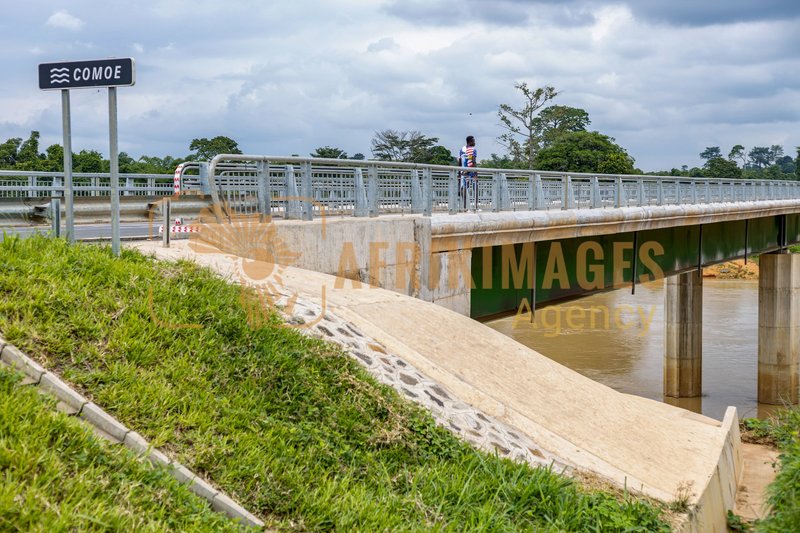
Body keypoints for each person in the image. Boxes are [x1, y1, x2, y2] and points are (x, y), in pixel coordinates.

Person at [458, 135, 478, 210]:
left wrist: (459, 173)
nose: (475, 142)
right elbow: (473, 161)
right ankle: (476, 206)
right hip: (471, 172)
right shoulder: (473, 150)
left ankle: (465, 207)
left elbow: (459, 162)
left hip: (463, 172)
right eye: (473, 141)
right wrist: (476, 173)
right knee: (475, 188)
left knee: (464, 188)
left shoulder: (461, 150)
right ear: (470, 141)